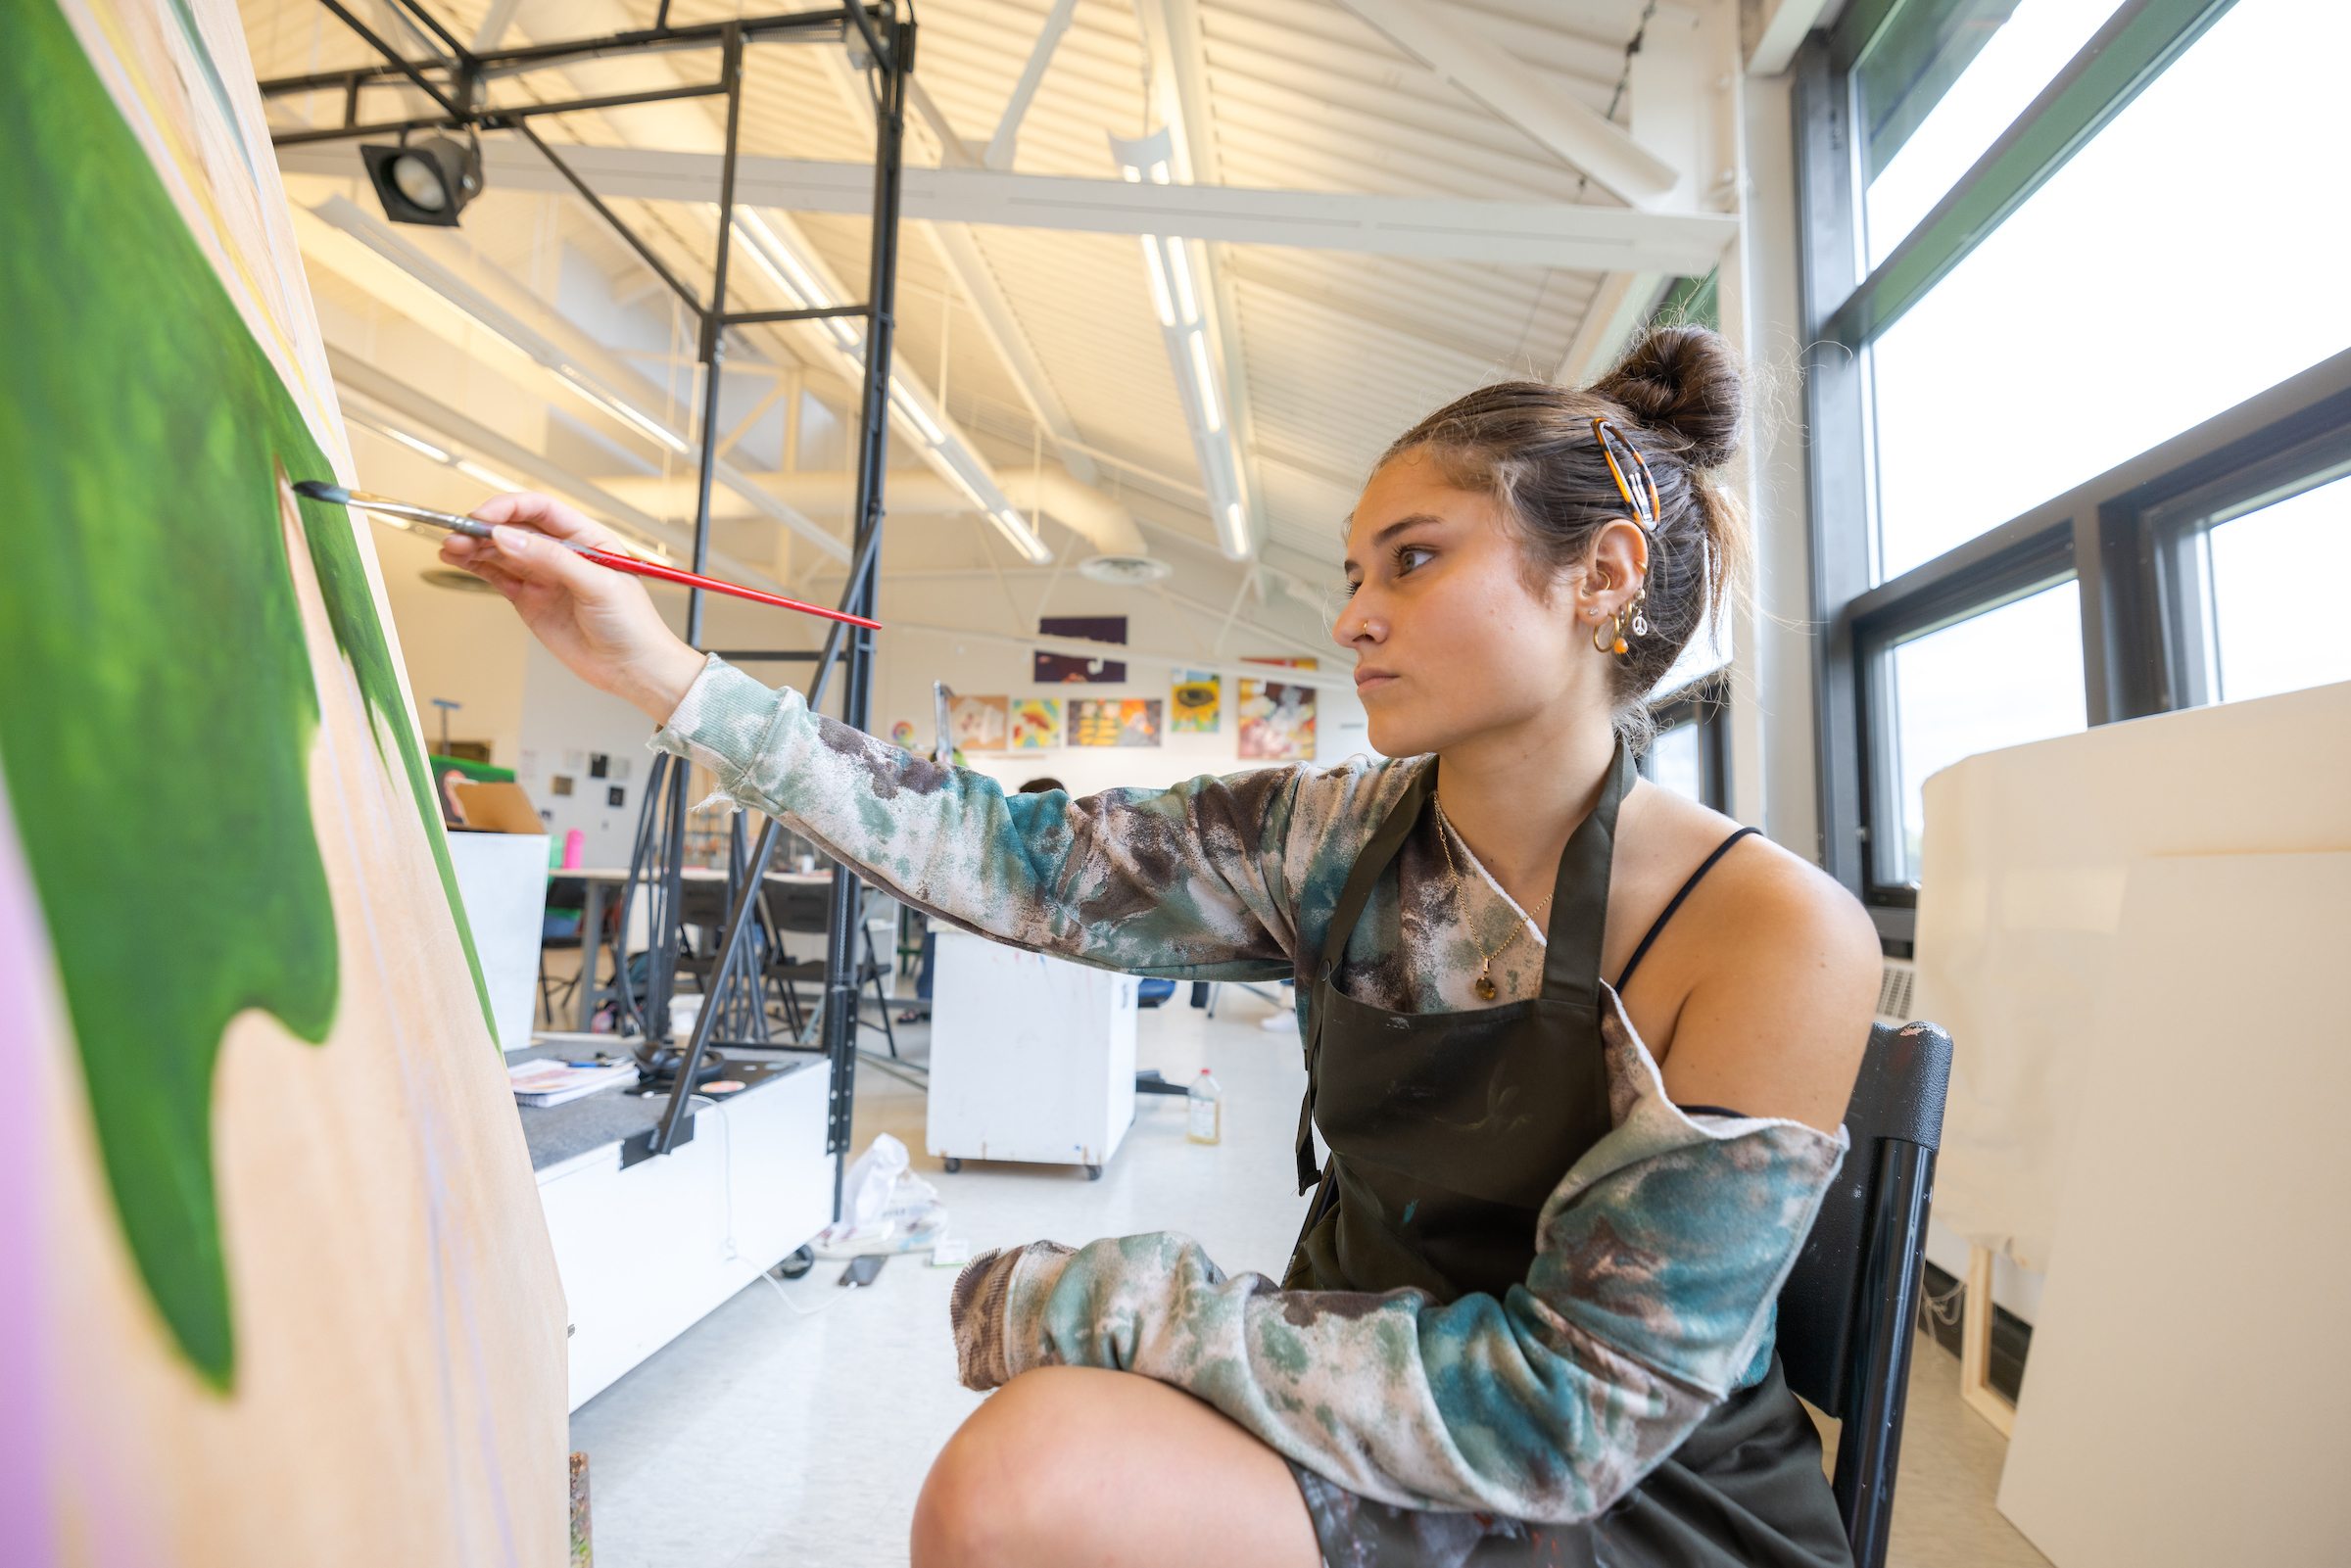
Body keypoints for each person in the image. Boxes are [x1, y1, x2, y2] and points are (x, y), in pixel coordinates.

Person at [440, 325, 1881, 1568]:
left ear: (1604, 575)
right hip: (1372, 1393)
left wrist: (1127, 1305)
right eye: (1353, 567)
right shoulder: (1328, 838)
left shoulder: (1771, 931)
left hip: (1631, 1505)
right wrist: (653, 665)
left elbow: (1568, 1417)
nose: (1352, 614)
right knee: (1010, 1485)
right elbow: (1007, 853)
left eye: (1414, 559)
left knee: (1031, 1484)